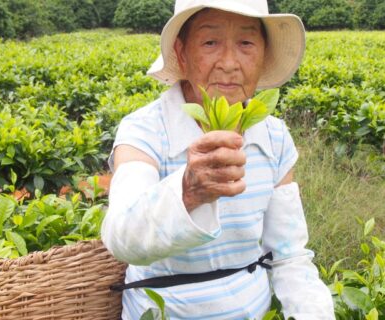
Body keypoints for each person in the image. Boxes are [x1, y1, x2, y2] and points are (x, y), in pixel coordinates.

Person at [101, 0, 335, 318]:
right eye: (210, 42)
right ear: (182, 53)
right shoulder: (145, 131)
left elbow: (289, 256)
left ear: (263, 54)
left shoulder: (275, 137)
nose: (229, 62)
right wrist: (189, 190)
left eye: (246, 43)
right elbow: (122, 236)